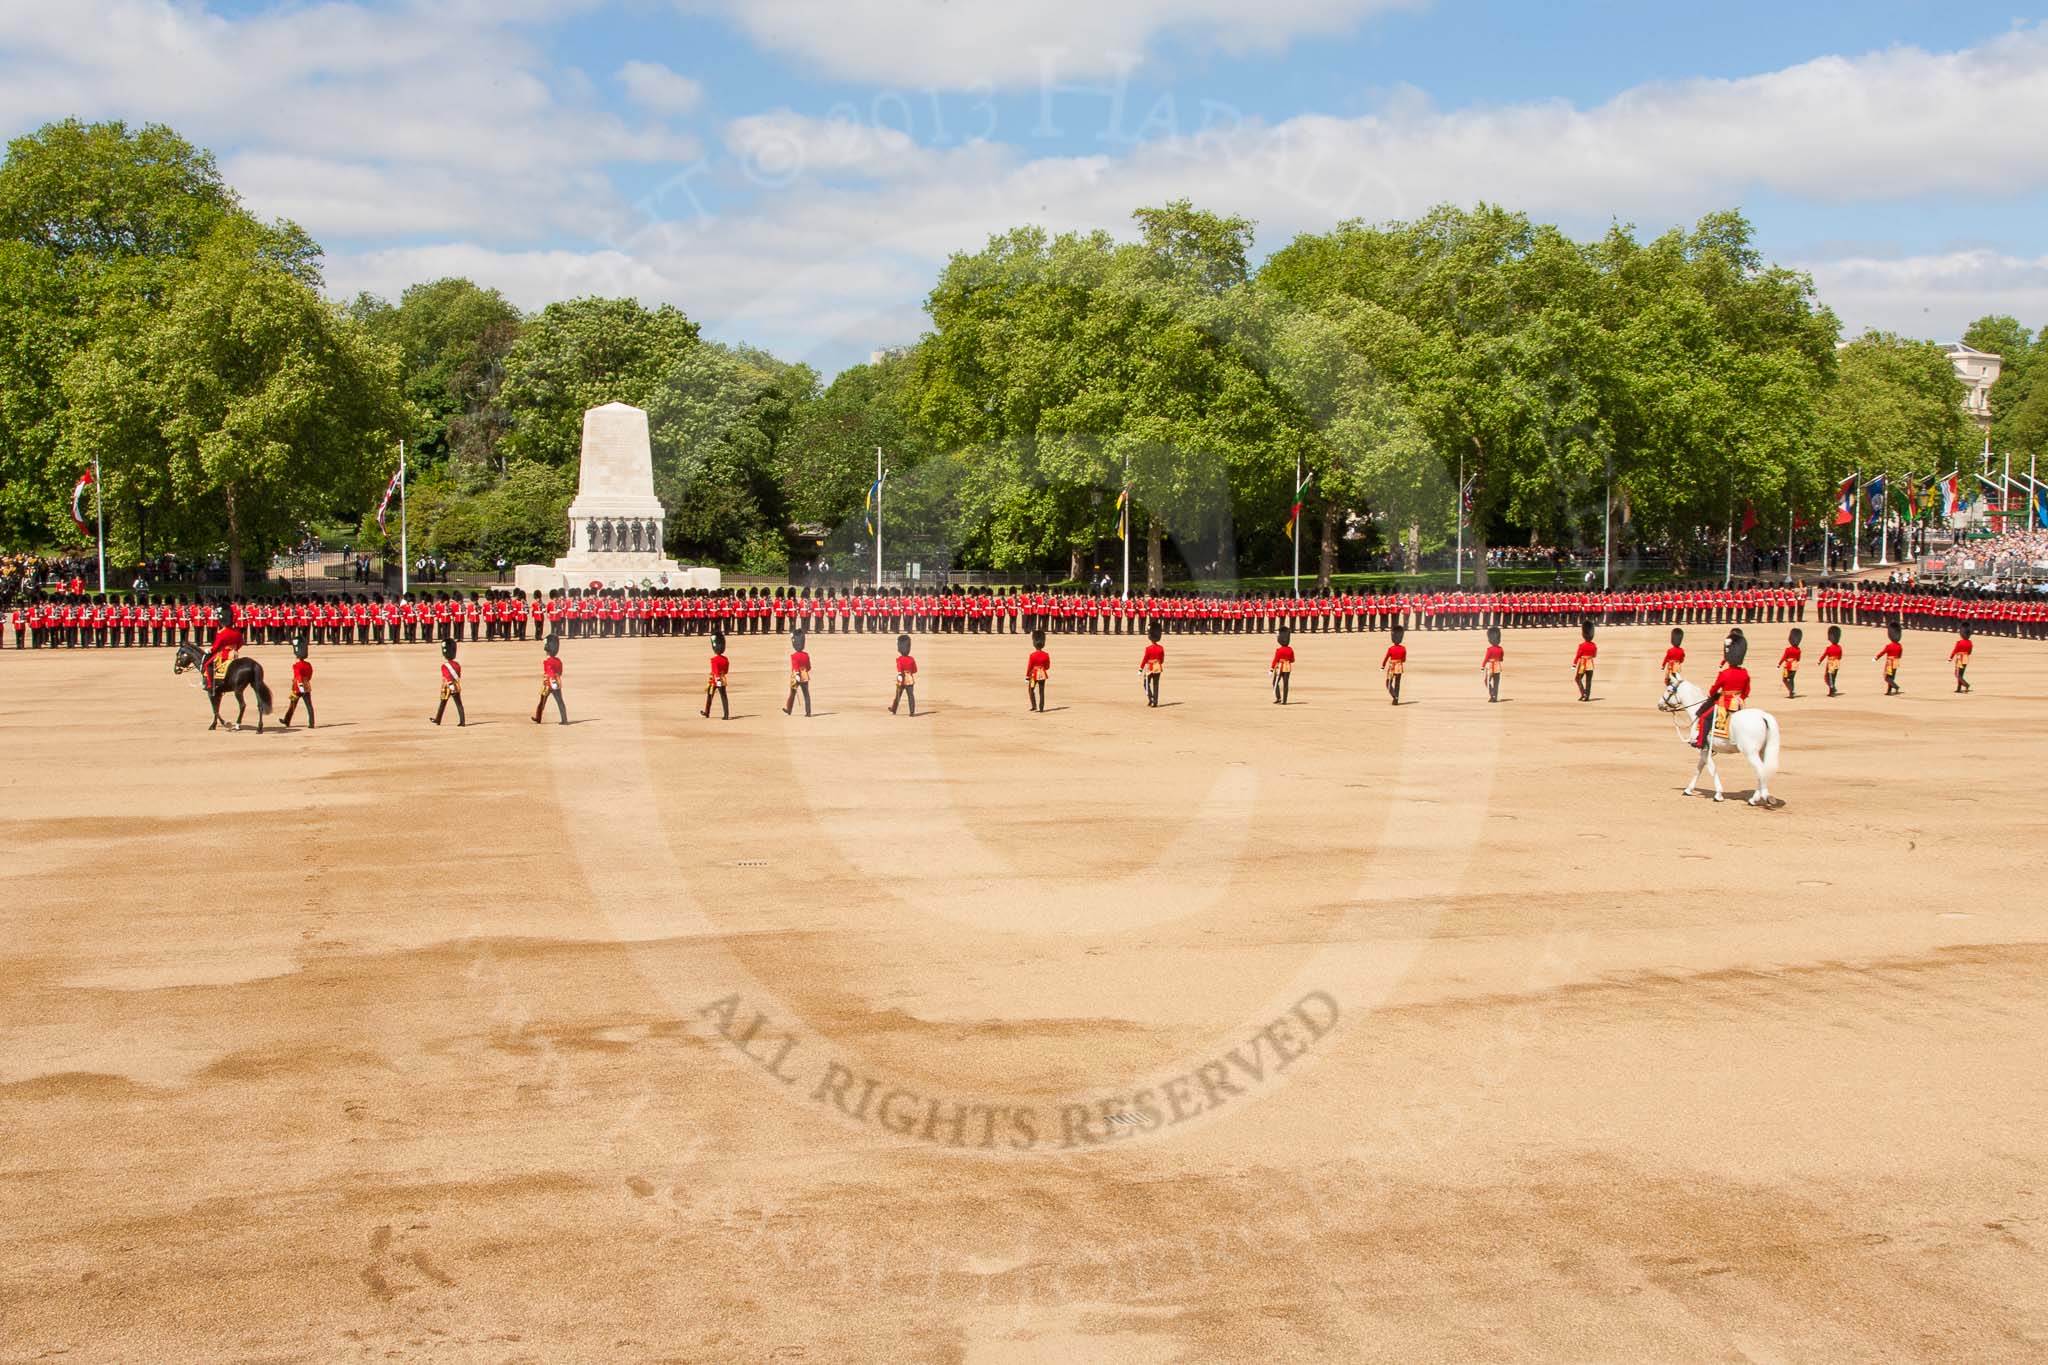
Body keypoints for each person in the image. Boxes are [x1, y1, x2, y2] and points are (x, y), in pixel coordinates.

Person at [1694, 631, 1750, 748]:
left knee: (1704, 717)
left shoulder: (1725, 674)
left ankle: (1701, 742)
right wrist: (1740, 698)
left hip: (1725, 703)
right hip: (1739, 703)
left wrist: (1716, 694)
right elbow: (1746, 691)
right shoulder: (1745, 673)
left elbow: (1712, 691)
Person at [202, 607, 244, 694]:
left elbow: (216, 647)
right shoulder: (237, 632)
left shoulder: (221, 633)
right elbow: (240, 643)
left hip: (223, 654)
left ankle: (210, 686)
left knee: (207, 665)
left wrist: (209, 650)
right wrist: (234, 649)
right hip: (234, 654)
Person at [282, 635, 315, 728]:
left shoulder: (297, 665)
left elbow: (298, 676)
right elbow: (310, 674)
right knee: (309, 706)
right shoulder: (308, 664)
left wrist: (300, 686)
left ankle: (287, 721)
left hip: (297, 687)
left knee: (292, 704)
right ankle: (311, 723)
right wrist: (306, 682)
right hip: (307, 685)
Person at [533, 633, 567, 724]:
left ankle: (538, 717)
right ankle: (564, 719)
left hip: (548, 684)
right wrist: (556, 680)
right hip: (557, 682)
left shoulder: (547, 661)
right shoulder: (558, 660)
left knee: (542, 702)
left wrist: (552, 681)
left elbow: (549, 672)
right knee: (560, 702)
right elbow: (560, 672)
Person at [432, 637, 465, 726]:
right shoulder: (457, 664)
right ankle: (439, 719)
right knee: (458, 704)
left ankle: (438, 720)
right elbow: (458, 675)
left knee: (443, 704)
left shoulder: (445, 666)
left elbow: (447, 676)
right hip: (456, 685)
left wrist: (450, 685)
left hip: (448, 687)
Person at [783, 629, 813, 717]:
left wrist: (797, 676)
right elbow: (809, 667)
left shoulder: (794, 656)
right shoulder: (806, 655)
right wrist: (804, 671)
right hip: (804, 673)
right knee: (806, 694)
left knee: (792, 694)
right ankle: (808, 712)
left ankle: (789, 709)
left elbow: (795, 667)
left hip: (796, 675)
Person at [702, 631, 731, 719]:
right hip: (723, 679)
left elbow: (715, 671)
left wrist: (717, 680)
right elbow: (726, 671)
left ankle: (707, 712)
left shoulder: (714, 659)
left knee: (710, 696)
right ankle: (726, 714)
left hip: (716, 680)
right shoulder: (725, 659)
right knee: (724, 697)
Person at [890, 634, 917, 715]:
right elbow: (915, 670)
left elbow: (899, 669)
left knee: (898, 695)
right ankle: (912, 712)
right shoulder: (911, 659)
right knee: (911, 696)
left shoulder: (899, 659)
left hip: (901, 677)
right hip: (909, 678)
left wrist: (900, 676)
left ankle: (894, 709)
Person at [1139, 623, 1165, 707]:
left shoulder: (1148, 649)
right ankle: (1155, 702)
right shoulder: (1161, 648)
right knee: (1156, 685)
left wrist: (1140, 669)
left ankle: (1151, 698)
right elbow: (1162, 660)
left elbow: (1145, 659)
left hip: (1150, 667)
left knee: (1146, 684)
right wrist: (1157, 663)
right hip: (1157, 666)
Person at [1025, 628, 1051, 712]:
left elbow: (1030, 666)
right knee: (1041, 691)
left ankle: (1034, 705)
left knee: (1031, 689)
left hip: (1033, 674)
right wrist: (1042, 668)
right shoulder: (1046, 654)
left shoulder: (1032, 655)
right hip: (1042, 673)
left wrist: (1027, 676)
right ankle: (1041, 707)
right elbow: (1047, 666)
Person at [1381, 623, 1407, 705]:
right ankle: (1396, 699)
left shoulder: (1391, 649)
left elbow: (1386, 658)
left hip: (1392, 666)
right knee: (1397, 683)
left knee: (1388, 683)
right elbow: (1404, 659)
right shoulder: (1403, 648)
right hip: (1399, 665)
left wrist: (1382, 666)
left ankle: (1394, 696)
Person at [1875, 621, 1903, 696]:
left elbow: (1882, 653)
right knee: (1892, 677)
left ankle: (1896, 686)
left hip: (1890, 661)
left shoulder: (1889, 646)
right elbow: (1900, 654)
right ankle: (1889, 691)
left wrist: (1876, 658)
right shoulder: (1899, 645)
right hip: (1896, 660)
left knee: (1887, 677)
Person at [1572, 620, 1597, 702]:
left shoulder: (1582, 645)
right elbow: (1594, 655)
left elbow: (1578, 656)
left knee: (1578, 679)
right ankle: (1587, 696)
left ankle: (1583, 693)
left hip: (1583, 664)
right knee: (1588, 681)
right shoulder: (1594, 645)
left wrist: (1574, 665)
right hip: (1590, 663)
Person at [1269, 627, 1295, 705]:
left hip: (1280, 667)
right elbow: (1293, 660)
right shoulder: (1290, 649)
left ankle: (1278, 697)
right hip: (1287, 667)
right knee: (1286, 684)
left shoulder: (1279, 650)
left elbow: (1275, 660)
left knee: (1275, 682)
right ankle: (1284, 700)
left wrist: (1271, 669)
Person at [1481, 625, 1504, 703]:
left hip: (1490, 666)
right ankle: (1495, 696)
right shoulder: (1501, 649)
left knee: (1487, 681)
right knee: (1496, 682)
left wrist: (1483, 666)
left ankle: (1492, 694)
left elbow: (1486, 658)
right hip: (1498, 666)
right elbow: (1501, 659)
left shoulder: (1490, 649)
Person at [1949, 622, 1973, 694]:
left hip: (1960, 657)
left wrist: (1950, 658)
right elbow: (1970, 652)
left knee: (1957, 674)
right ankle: (1959, 688)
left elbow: (1955, 650)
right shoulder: (1970, 642)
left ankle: (1966, 684)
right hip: (1966, 657)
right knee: (1961, 674)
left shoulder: (1960, 642)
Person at [1821, 624, 1844, 697]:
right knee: (1832, 677)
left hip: (1831, 662)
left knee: (1828, 677)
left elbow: (1824, 655)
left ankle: (1832, 689)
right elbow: (1840, 656)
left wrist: (1820, 661)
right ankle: (1832, 688)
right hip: (1836, 662)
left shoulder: (1829, 648)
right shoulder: (1839, 647)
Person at [1778, 628, 1802, 698]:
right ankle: (1791, 691)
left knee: (1785, 679)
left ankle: (1791, 690)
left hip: (1789, 665)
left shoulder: (1788, 649)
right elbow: (1798, 659)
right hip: (1795, 665)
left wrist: (1779, 664)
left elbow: (1784, 657)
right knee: (1791, 679)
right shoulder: (1798, 650)